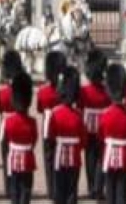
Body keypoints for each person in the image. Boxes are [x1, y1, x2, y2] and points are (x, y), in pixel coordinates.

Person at [47, 65, 86, 204]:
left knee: (59, 190)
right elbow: (83, 140)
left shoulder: (55, 113)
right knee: (71, 191)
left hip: (59, 157)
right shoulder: (78, 115)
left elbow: (50, 136)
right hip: (74, 157)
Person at [100, 63, 126, 204]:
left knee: (110, 189)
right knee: (122, 189)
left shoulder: (105, 114)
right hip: (125, 155)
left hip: (108, 154)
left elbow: (101, 136)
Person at [80, 49, 111, 199]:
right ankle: (99, 187)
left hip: (88, 126)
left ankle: (92, 187)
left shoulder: (84, 91)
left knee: (90, 157)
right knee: (101, 157)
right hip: (103, 127)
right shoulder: (106, 91)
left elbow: (80, 106)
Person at [4, 72, 38, 204]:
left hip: (13, 158)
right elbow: (34, 140)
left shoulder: (9, 121)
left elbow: (7, 139)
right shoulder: (32, 122)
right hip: (28, 158)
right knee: (26, 189)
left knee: (14, 188)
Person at [38, 51, 68, 200]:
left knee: (49, 158)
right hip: (62, 125)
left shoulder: (43, 91)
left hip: (47, 125)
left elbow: (39, 109)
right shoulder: (63, 90)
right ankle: (60, 189)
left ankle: (51, 190)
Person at [0, 50, 25, 197]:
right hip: (21, 125)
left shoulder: (2, 92)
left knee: (6, 157)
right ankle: (19, 187)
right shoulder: (22, 90)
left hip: (6, 125)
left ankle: (9, 188)